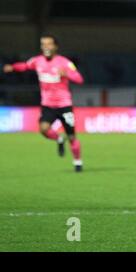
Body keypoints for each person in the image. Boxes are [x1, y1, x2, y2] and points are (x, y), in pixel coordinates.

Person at [3, 34, 84, 172]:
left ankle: (77, 162)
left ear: (55, 46)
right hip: (48, 105)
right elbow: (25, 66)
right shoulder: (37, 61)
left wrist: (67, 74)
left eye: (49, 44)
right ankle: (59, 139)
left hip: (64, 105)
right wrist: (13, 67)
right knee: (44, 129)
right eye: (43, 44)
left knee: (71, 136)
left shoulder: (64, 62)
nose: (46, 47)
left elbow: (79, 79)